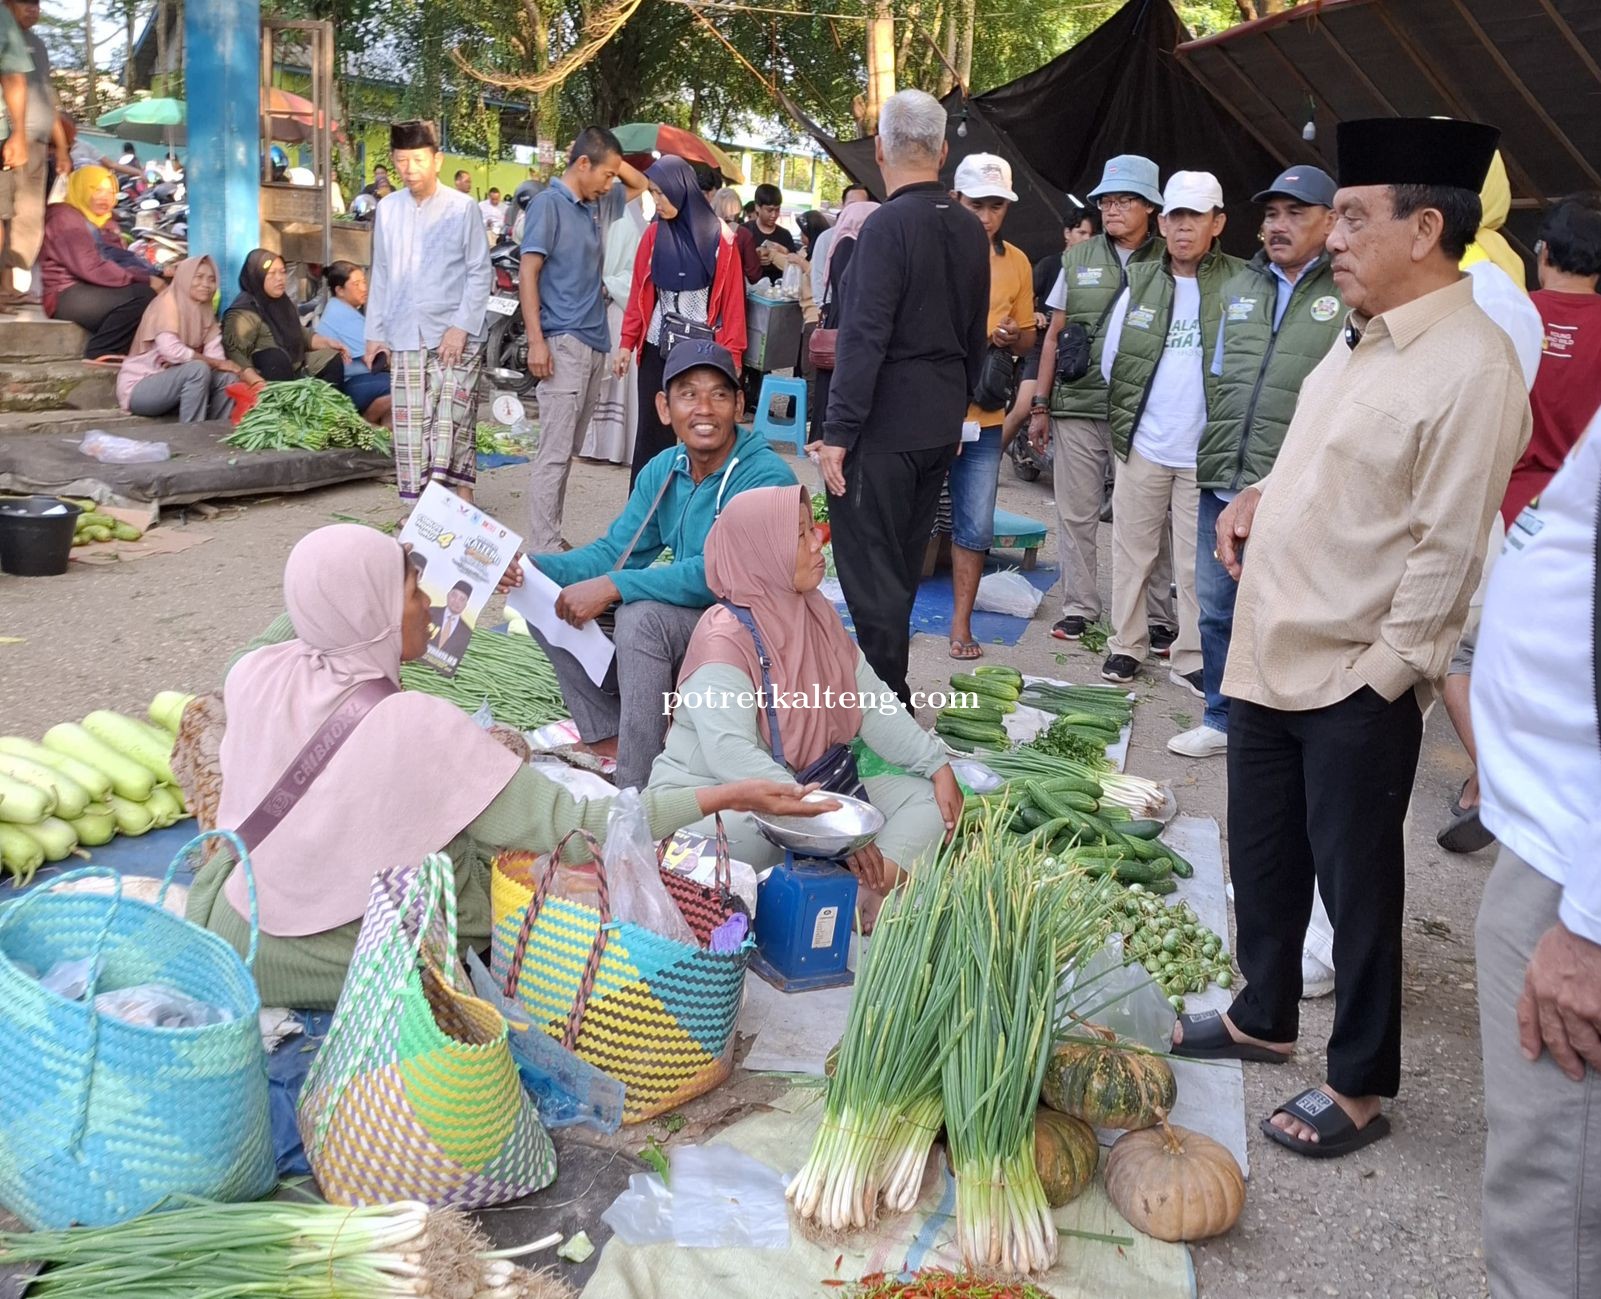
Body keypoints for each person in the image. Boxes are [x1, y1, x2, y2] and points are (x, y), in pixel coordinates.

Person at [1171, 118, 1531, 1161]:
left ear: (1425, 228)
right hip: (1270, 644)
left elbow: (1449, 544)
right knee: (1265, 854)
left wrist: (1385, 677)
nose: (1330, 234)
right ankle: (1260, 1014)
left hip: (1351, 674)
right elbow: (1316, 458)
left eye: (1354, 217)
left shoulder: (1472, 367)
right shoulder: (1352, 332)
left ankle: (1361, 1081)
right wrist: (1254, 499)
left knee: (1358, 886)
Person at [185, 523, 829, 1009]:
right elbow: (585, 825)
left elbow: (302, 613)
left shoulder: (257, 671)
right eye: (411, 588)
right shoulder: (416, 728)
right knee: (496, 875)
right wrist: (726, 795)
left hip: (228, 921)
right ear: (377, 609)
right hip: (308, 959)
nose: (428, 602)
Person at [506, 340, 796, 791]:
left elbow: (720, 574)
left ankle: (637, 789)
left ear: (739, 405)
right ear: (664, 407)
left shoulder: (765, 477)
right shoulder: (665, 468)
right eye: (688, 394)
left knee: (641, 618)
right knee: (546, 598)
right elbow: (613, 552)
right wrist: (532, 568)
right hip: (702, 622)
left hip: (753, 631)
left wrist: (614, 587)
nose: (704, 408)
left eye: (719, 394)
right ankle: (613, 737)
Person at [654, 483, 963, 900]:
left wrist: (937, 765)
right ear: (762, 552)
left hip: (812, 785)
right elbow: (732, 756)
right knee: (750, 838)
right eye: (800, 536)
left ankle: (852, 894)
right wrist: (828, 824)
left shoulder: (816, 614)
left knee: (929, 803)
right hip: (726, 797)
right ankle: (839, 888)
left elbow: (870, 703)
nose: (818, 542)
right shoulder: (722, 638)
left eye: (811, 530)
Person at [1470, 405, 1601, 1299]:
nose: (1339, 249)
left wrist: (1588, 920)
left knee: (1553, 1196)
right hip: (1555, 837)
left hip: (1576, 869)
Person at [1433, 192, 1601, 856]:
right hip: (1578, 528)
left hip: (1507, 512)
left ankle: (1492, 780)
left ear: (1542, 253)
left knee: (1456, 654)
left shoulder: (1510, 317)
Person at [819, 88, 989, 705]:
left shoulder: (886, 225)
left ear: (880, 152)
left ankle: (884, 700)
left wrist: (838, 433)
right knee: (903, 560)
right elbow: (976, 336)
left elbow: (864, 337)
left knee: (872, 570)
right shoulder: (971, 229)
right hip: (939, 421)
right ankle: (888, 693)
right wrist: (955, 406)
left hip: (885, 424)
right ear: (943, 152)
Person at [1169, 166, 1341, 759]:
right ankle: (1220, 719)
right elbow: (1219, 376)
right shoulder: (1242, 286)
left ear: (1332, 220)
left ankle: (1274, 728)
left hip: (1291, 485)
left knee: (1282, 614)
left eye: (1296, 213)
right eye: (1271, 214)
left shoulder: (1344, 294)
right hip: (1223, 473)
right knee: (1217, 607)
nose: (1278, 225)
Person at [1098, 172, 1243, 691]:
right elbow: (1111, 359)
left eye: (1196, 217)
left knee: (1195, 563)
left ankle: (1190, 655)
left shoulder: (1242, 284)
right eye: (1176, 217)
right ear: (1162, 222)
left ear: (1217, 223)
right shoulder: (1141, 279)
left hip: (1205, 451)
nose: (1184, 228)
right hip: (1145, 442)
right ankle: (1126, 646)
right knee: (1132, 552)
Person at [1029, 155, 1173, 644]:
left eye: (1124, 201)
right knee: (1076, 513)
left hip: (1145, 411)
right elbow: (1053, 337)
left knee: (1150, 520)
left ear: (1151, 208)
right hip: (1077, 408)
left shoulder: (1171, 259)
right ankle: (1080, 607)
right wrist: (1041, 404)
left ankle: (1157, 617)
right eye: (1106, 202)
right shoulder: (1078, 258)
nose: (1112, 210)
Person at [519, 126, 648, 549]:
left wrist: (609, 156)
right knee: (554, 453)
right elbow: (528, 273)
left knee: (566, 450)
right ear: (582, 164)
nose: (612, 182)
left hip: (594, 341)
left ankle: (550, 537)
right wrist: (537, 341)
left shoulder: (598, 203)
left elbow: (640, 183)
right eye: (605, 173)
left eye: (613, 175)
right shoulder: (548, 205)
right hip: (562, 342)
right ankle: (543, 546)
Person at [364, 120, 492, 507]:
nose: (410, 169)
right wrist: (375, 332)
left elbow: (479, 270)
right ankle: (421, 514)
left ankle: (457, 504)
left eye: (418, 159)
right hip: (405, 332)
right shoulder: (387, 209)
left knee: (452, 421)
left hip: (455, 333)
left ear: (437, 159)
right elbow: (382, 272)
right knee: (409, 428)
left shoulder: (462, 207)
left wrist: (461, 327)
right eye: (402, 161)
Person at [945, 153, 1035, 661]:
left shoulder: (1017, 261)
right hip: (930, 412)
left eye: (995, 205)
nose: (985, 215)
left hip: (985, 412)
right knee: (909, 519)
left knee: (975, 525)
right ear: (956, 199)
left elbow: (1024, 339)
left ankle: (961, 625)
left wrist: (1010, 335)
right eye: (977, 204)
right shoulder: (932, 249)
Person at [617, 157, 749, 487]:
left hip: (700, 355)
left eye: (661, 194)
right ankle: (641, 519)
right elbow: (638, 294)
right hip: (655, 351)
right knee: (650, 436)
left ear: (680, 189)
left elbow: (733, 303)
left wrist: (733, 357)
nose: (656, 202)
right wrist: (625, 342)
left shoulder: (721, 240)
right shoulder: (652, 236)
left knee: (700, 438)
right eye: (653, 194)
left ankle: (692, 516)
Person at [1004, 203, 1099, 452]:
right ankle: (990, 459)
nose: (1087, 239)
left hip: (1076, 351)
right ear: (1067, 233)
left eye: (1092, 235)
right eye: (1082, 232)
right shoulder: (1050, 265)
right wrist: (1033, 313)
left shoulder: (1096, 270)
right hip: (1041, 346)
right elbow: (1017, 301)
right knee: (1024, 406)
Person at [38, 166, 159, 358]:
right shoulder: (64, 217)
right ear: (82, 188)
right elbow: (91, 267)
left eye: (111, 192)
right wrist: (145, 279)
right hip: (67, 294)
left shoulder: (103, 222)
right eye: (97, 190)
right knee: (142, 296)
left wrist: (156, 273)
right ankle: (101, 350)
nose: (105, 197)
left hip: (91, 289)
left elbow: (118, 259)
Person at [115, 255, 240, 421]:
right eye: (199, 277)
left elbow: (215, 354)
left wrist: (220, 364)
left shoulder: (205, 310)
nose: (206, 285)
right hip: (140, 389)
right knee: (197, 369)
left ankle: (214, 432)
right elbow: (171, 352)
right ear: (185, 278)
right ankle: (192, 434)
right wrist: (215, 363)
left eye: (211, 280)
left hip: (176, 385)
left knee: (228, 377)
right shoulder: (167, 304)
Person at [2, 0, 68, 304]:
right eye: (26, 3)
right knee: (4, 214)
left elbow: (47, 95)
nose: (33, 9)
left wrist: (63, 148)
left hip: (39, 143)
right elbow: (12, 82)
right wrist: (14, 135)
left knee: (29, 217)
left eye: (37, 4)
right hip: (12, 139)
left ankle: (11, 285)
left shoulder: (38, 45)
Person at [578, 192, 647, 465]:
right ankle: (588, 445)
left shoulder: (630, 223)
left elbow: (638, 274)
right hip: (589, 309)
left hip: (616, 308)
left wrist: (607, 285)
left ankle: (612, 447)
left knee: (616, 379)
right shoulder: (587, 216)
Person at [808, 194, 879, 447]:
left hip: (835, 320)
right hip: (848, 326)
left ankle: (820, 438)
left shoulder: (841, 242)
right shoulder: (853, 245)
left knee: (828, 391)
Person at [223, 248, 347, 390]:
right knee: (275, 358)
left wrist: (328, 342)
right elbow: (236, 355)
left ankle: (322, 409)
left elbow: (301, 335)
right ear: (257, 275)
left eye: (282, 272)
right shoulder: (244, 312)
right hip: (265, 376)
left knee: (331, 359)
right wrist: (255, 381)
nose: (279, 278)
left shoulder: (283, 303)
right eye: (271, 273)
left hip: (295, 366)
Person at [317, 260, 392, 426]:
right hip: (350, 384)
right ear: (340, 290)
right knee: (402, 387)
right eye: (356, 284)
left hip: (364, 379)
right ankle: (364, 423)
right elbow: (375, 358)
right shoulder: (340, 314)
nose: (364, 289)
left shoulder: (347, 310)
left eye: (364, 282)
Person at [809, 182, 869, 304]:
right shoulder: (827, 238)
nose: (856, 210)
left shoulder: (872, 238)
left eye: (861, 205)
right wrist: (825, 307)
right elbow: (818, 277)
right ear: (842, 206)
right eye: (852, 205)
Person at [743, 182, 795, 284]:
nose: (774, 215)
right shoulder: (745, 231)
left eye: (777, 210)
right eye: (769, 210)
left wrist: (784, 252)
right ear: (757, 207)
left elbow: (794, 269)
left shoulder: (785, 235)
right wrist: (753, 259)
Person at [713, 185, 762, 283]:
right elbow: (754, 275)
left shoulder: (703, 231)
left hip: (707, 292)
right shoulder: (744, 235)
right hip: (734, 290)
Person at [428, 580, 474, 661]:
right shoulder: (429, 612)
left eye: (462, 599)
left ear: (465, 605)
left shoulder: (467, 633)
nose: (456, 601)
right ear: (448, 595)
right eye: (454, 595)